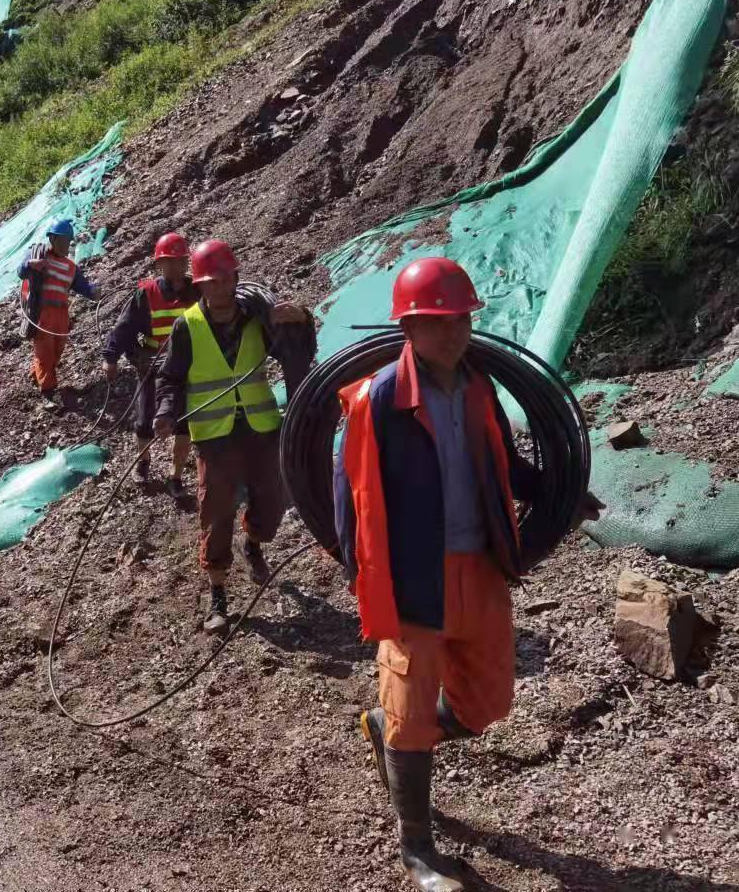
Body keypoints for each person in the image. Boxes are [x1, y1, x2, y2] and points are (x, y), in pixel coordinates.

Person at [333, 257, 602, 892]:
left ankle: (391, 731)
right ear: (408, 326)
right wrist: (363, 573)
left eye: (460, 319)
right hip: (411, 577)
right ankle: (418, 849)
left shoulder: (479, 389)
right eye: (436, 321)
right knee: (409, 704)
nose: (452, 332)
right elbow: (347, 497)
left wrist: (560, 494)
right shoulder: (377, 402)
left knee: (488, 702)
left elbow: (501, 465)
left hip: (479, 564)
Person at [154, 239, 314, 633]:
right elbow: (170, 378)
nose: (220, 288)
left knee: (273, 502)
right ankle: (219, 596)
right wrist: (164, 412)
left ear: (236, 278)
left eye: (226, 279)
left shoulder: (259, 318)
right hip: (214, 436)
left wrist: (302, 318)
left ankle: (255, 542)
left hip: (261, 430)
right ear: (200, 285)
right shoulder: (187, 326)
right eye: (211, 281)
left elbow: (298, 354)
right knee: (216, 509)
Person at [102, 232, 198, 497]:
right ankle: (143, 462)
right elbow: (124, 328)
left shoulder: (198, 290)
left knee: (184, 423)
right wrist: (111, 357)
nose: (175, 266)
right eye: (169, 261)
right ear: (159, 265)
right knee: (144, 420)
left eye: (180, 260)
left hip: (187, 368)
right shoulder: (147, 294)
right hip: (153, 368)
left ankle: (175, 476)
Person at [18, 218, 101, 403]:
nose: (66, 245)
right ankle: (48, 393)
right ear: (53, 239)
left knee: (57, 351)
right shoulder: (38, 255)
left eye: (68, 242)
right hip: (43, 313)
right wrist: (31, 264)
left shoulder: (71, 267)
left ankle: (37, 375)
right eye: (63, 241)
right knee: (45, 351)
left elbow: (82, 286)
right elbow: (21, 272)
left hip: (62, 315)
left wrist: (93, 292)